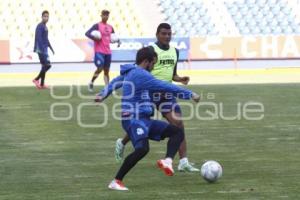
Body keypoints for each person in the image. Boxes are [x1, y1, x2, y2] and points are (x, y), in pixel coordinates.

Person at [96, 47, 200, 191]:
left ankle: (168, 160)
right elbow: (165, 86)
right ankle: (116, 181)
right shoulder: (141, 75)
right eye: (153, 64)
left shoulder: (131, 71)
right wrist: (190, 94)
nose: (153, 67)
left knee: (177, 132)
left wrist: (103, 94)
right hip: (133, 119)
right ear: (146, 62)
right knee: (142, 149)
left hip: (145, 120)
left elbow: (114, 82)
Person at [114, 23, 199, 172]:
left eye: (169, 33)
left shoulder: (175, 51)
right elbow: (137, 70)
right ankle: (122, 142)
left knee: (178, 123)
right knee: (140, 123)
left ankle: (183, 161)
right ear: (157, 35)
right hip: (147, 94)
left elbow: (172, 74)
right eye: (163, 33)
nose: (167, 36)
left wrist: (180, 79)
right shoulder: (151, 51)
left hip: (166, 94)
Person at [85, 9, 120, 92]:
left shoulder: (110, 27)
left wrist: (118, 41)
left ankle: (107, 88)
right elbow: (87, 33)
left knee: (106, 71)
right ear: (101, 16)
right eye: (104, 15)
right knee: (100, 68)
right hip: (99, 51)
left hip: (108, 52)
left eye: (107, 15)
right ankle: (91, 82)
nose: (106, 16)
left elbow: (113, 38)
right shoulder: (97, 25)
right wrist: (94, 38)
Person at [32, 10, 54, 89]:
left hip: (44, 49)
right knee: (48, 65)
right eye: (44, 16)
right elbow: (38, 38)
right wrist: (42, 49)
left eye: (47, 16)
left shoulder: (45, 27)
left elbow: (46, 39)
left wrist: (51, 48)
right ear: (42, 17)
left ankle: (41, 84)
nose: (46, 18)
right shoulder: (40, 26)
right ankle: (36, 79)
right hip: (41, 49)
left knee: (44, 66)